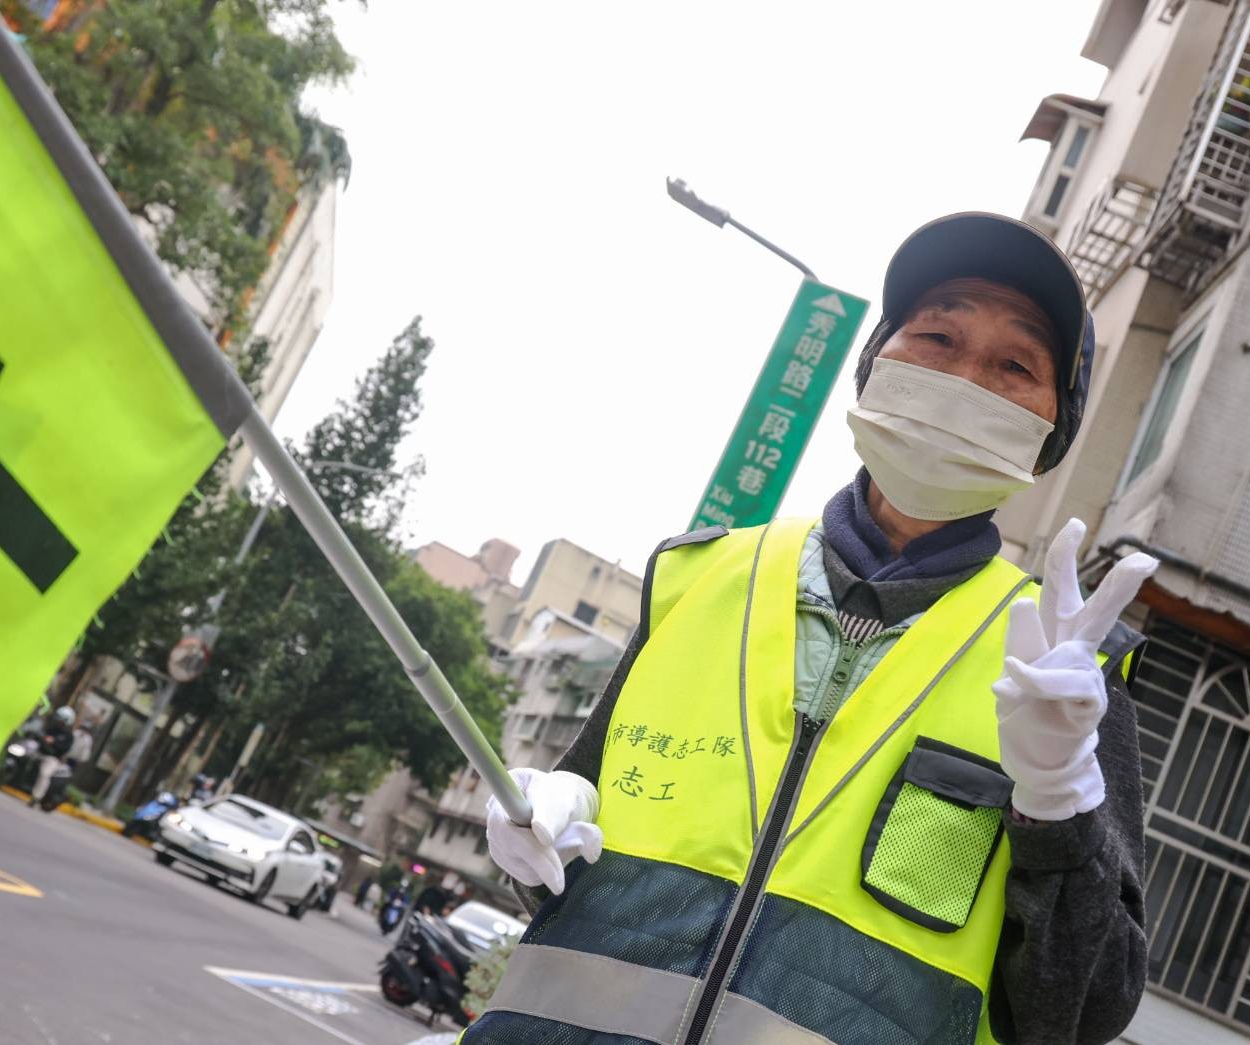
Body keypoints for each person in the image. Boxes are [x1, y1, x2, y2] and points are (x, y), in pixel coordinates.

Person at [473, 213, 1157, 1045]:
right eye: (936, 336)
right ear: (872, 365)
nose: (965, 379)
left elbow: (1080, 1015)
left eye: (1014, 365)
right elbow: (559, 871)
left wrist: (1058, 806)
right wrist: (535, 823)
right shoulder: (694, 577)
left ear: (1051, 433)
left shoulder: (1068, 670)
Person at [30, 705, 76, 807]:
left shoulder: (68, 736)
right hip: (38, 752)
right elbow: (39, 735)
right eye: (58, 718)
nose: (58, 720)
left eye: (60, 719)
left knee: (44, 773)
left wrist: (53, 742)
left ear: (66, 721)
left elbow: (64, 748)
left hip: (51, 758)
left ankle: (36, 797)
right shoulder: (51, 728)